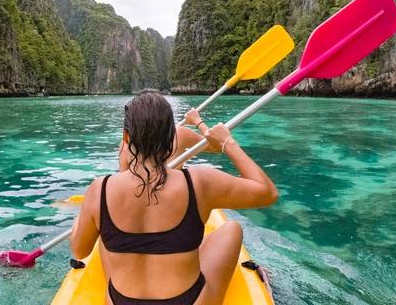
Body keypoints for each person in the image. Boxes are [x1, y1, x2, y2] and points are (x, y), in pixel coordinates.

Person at [70, 92, 278, 305]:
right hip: (189, 301)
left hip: (120, 302)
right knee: (232, 229)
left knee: (105, 234)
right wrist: (227, 142)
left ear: (126, 137)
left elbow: (79, 250)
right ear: (172, 135)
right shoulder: (199, 182)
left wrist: (87, 209)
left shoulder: (99, 189)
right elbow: (268, 192)